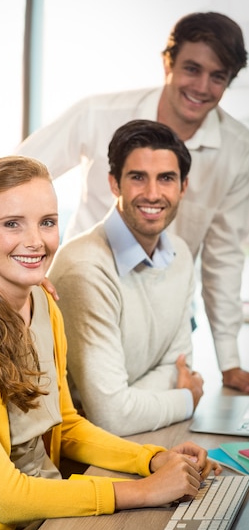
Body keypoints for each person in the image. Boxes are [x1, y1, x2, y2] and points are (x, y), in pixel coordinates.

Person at [0, 155, 220, 530]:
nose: (36, 241)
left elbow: (66, 424)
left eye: (47, 222)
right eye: (13, 223)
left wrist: (153, 459)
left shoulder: (43, 306)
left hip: (49, 516)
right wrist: (141, 491)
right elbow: (5, 498)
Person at [16, 11, 249, 394]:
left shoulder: (238, 151)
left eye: (218, 76)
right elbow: (18, 177)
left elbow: (224, 256)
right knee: (89, 406)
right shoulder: (97, 113)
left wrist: (230, 360)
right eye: (192, 69)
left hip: (166, 309)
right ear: (167, 63)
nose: (202, 86)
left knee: (162, 413)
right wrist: (28, 262)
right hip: (87, 294)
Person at [48, 120, 204, 436]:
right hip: (79, 457)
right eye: (137, 177)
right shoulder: (85, 268)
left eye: (166, 179)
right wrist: (186, 399)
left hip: (144, 436)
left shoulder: (181, 255)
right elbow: (110, 417)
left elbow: (177, 367)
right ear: (114, 184)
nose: (152, 193)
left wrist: (130, 400)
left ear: (182, 187)